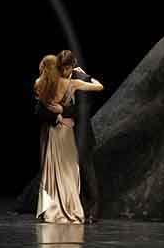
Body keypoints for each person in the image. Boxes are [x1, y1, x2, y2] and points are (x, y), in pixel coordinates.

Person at [14, 50, 102, 221]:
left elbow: (83, 109)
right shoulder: (54, 78)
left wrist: (64, 110)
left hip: (77, 132)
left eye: (66, 68)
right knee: (54, 170)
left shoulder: (79, 79)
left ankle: (89, 209)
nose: (63, 71)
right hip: (57, 131)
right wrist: (58, 117)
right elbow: (40, 108)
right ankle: (56, 208)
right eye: (61, 68)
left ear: (72, 66)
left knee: (81, 169)